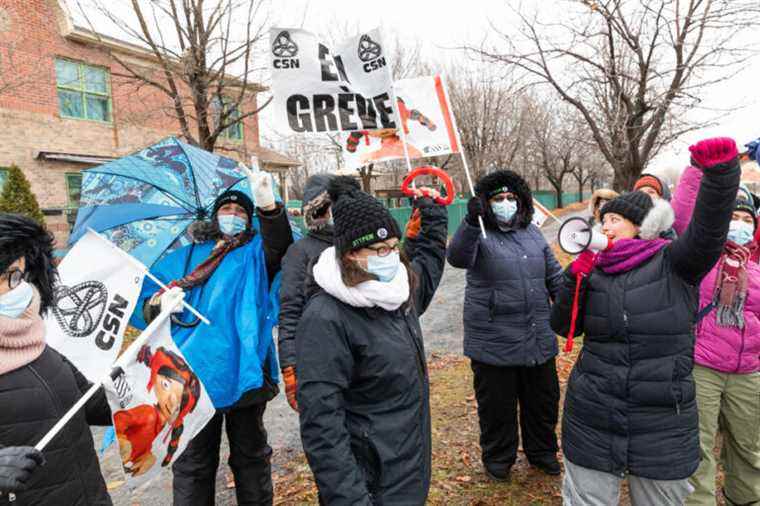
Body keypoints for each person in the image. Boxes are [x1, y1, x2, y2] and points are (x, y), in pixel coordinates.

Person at [550, 137, 741, 505]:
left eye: (615, 220)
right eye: (602, 219)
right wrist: (575, 277)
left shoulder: (674, 263)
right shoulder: (593, 272)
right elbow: (563, 327)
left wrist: (720, 175)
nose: (604, 227)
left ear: (639, 226)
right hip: (594, 413)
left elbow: (707, 236)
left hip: (662, 420)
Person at [133, 169, 292, 506]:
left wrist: (269, 208)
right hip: (192, 374)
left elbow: (280, 248)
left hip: (245, 370)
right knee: (193, 463)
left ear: (249, 220)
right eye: (226, 210)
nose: (232, 216)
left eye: (240, 212)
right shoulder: (187, 256)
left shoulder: (256, 253)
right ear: (214, 214)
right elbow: (146, 300)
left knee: (250, 457)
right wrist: (159, 304)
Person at [296, 177, 447, 505]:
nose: (391, 256)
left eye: (393, 247)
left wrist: (433, 216)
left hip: (407, 465)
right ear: (350, 254)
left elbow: (429, 266)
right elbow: (322, 426)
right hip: (369, 482)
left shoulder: (396, 292)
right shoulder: (326, 317)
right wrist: (350, 498)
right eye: (379, 250)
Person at [447, 170, 564, 480]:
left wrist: (569, 302)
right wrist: (471, 223)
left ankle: (542, 452)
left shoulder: (533, 233)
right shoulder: (478, 233)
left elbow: (553, 275)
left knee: (543, 401)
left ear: (522, 200)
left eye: (511, 198)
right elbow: (457, 258)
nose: (506, 203)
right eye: (498, 199)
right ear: (487, 202)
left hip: (537, 335)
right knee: (497, 407)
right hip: (494, 339)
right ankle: (499, 459)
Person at [0, 213, 113, 505]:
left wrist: (140, 371)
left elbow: (95, 406)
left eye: (18, 276)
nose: (16, 289)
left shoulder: (38, 345)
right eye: (3, 277)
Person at [671, 167, 760, 506]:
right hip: (704, 367)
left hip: (748, 371)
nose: (740, 223)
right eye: (733, 216)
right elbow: (682, 217)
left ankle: (747, 498)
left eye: (746, 218)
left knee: (749, 445)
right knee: (699, 446)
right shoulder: (701, 255)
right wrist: (699, 169)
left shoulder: (756, 265)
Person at [278, 173, 354, 411]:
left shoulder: (358, 244)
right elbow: (290, 311)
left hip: (360, 353)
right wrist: (290, 365)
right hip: (318, 357)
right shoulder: (300, 252)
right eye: (327, 207)